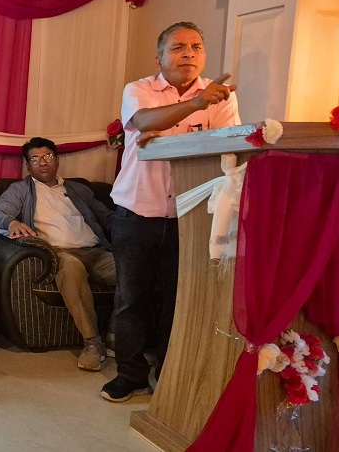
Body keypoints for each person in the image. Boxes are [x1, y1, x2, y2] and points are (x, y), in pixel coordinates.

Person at [102, 22, 240, 402]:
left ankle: (169, 374)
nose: (188, 53)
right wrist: (195, 106)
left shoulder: (220, 96)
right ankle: (130, 375)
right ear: (159, 58)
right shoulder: (139, 89)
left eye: (196, 46)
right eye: (178, 47)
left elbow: (225, 148)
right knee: (131, 300)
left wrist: (172, 134)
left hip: (190, 214)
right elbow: (145, 121)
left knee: (178, 300)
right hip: (136, 211)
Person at [0, 137, 115, 371]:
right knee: (71, 270)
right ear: (28, 166)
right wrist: (11, 222)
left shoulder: (79, 189)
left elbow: (107, 217)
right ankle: (93, 342)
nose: (42, 163)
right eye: (35, 159)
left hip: (96, 251)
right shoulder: (21, 189)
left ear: (56, 160)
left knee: (133, 271)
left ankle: (117, 335)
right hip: (60, 253)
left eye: (47, 157)